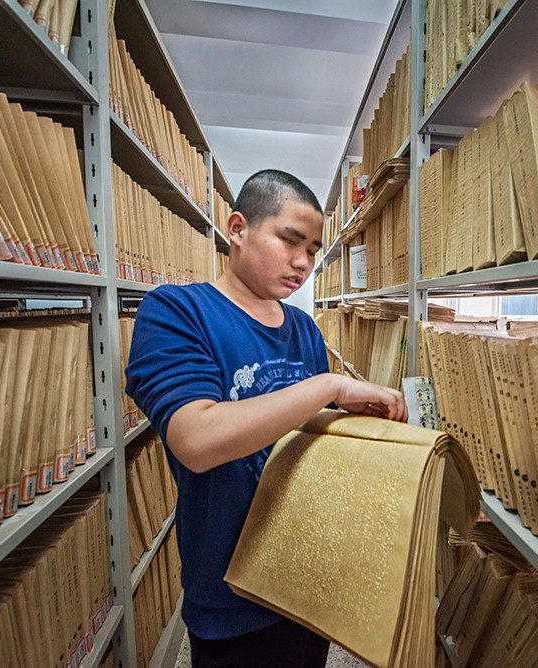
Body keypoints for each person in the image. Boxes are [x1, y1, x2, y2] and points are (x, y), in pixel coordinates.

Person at [125, 169, 408, 667]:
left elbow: (303, 437)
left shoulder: (303, 327)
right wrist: (329, 387)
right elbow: (196, 439)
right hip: (231, 594)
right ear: (238, 228)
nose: (303, 263)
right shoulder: (176, 311)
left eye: (313, 250)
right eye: (290, 241)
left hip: (306, 581)